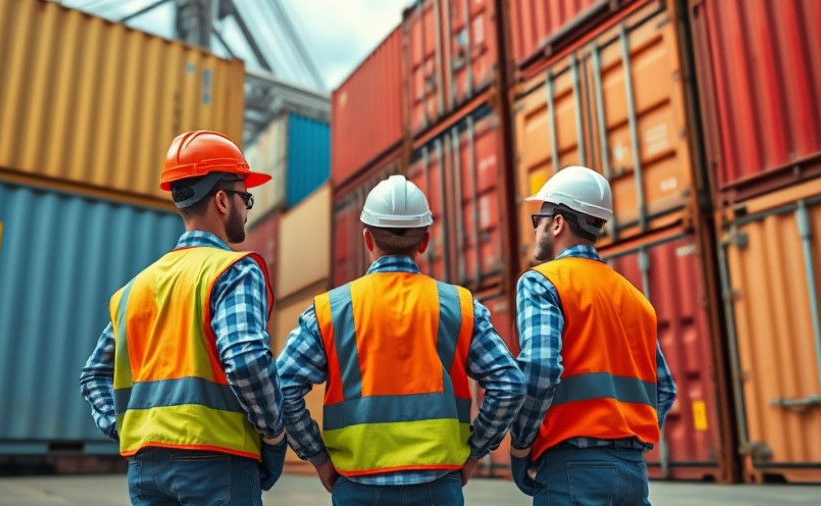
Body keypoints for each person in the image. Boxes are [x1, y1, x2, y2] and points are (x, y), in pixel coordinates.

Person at [276, 175, 525, 505]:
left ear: (368, 239)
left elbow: (281, 387)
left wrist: (318, 458)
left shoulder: (329, 311)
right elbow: (509, 385)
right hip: (438, 487)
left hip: (359, 488)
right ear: (423, 242)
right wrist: (475, 452)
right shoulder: (460, 306)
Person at [80, 130, 287, 506]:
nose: (247, 207)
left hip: (145, 468)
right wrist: (273, 433)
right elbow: (244, 360)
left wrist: (126, 426)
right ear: (223, 200)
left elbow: (93, 374)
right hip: (217, 462)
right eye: (246, 197)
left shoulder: (133, 290)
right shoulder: (234, 270)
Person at [509, 166, 677, 505]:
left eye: (537, 219)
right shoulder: (635, 298)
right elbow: (665, 389)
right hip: (632, 472)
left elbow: (540, 370)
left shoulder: (542, 282)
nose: (536, 229)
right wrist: (623, 435)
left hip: (571, 466)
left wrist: (522, 444)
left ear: (556, 222)